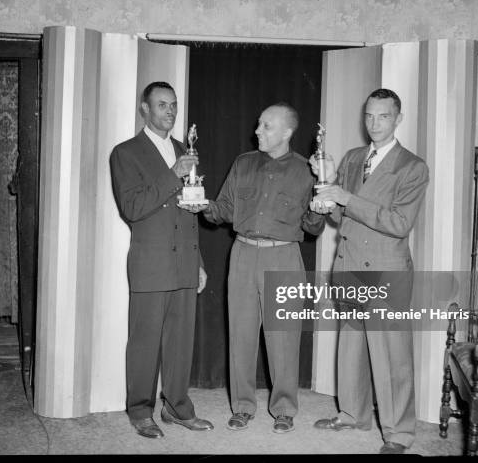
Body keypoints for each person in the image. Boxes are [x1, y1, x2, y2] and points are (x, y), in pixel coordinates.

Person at [181, 102, 326, 433]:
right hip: (243, 255)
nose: (257, 130)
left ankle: (285, 409)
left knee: (284, 339)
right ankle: (242, 406)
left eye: (266, 126)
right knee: (241, 334)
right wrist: (203, 205)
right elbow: (225, 210)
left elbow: (313, 227)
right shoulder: (243, 164)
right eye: (259, 124)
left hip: (284, 257)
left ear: (287, 132)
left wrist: (320, 208)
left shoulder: (308, 171)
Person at [310, 88, 429, 454]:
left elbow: (398, 223)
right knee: (352, 346)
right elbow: (340, 216)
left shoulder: (412, 166)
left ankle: (399, 434)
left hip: (385, 270)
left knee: (391, 355)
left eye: (383, 116)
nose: (375, 124)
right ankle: (352, 414)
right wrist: (326, 194)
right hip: (348, 265)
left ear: (398, 118)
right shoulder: (352, 157)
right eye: (369, 116)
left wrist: (346, 197)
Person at [110, 81, 213, 439]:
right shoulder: (125, 153)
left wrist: (198, 262)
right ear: (144, 109)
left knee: (181, 341)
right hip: (151, 262)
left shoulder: (185, 149)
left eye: (173, 105)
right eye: (161, 105)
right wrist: (174, 174)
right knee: (145, 341)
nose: (169, 112)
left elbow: (189, 212)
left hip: (185, 262)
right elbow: (133, 208)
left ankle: (177, 407)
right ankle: (140, 410)